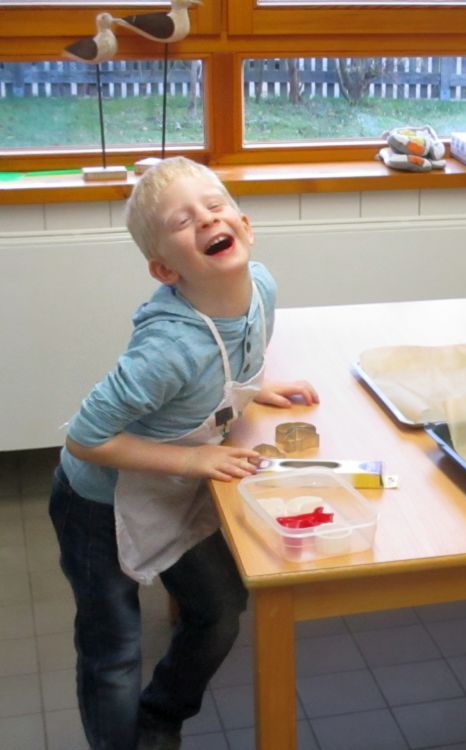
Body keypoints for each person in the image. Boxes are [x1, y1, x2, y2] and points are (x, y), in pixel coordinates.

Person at [49, 157, 319, 750]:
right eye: (183, 220)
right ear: (164, 269)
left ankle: (160, 716)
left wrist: (254, 389)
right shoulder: (169, 346)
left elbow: (231, 363)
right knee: (114, 648)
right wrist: (196, 461)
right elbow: (85, 436)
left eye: (216, 206)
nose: (206, 220)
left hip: (168, 486)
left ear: (245, 225)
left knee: (220, 608)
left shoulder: (261, 288)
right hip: (96, 500)